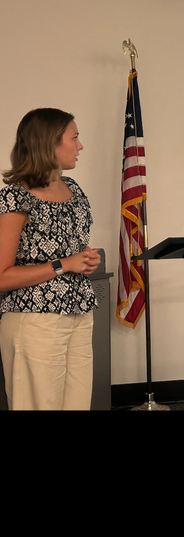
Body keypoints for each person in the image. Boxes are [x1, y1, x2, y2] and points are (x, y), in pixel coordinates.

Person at [0, 109, 101, 410]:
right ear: (49, 144)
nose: (80, 146)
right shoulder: (15, 197)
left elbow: (71, 251)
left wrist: (84, 260)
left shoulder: (75, 191)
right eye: (74, 138)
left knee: (77, 404)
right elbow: (2, 275)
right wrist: (64, 265)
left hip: (80, 315)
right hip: (35, 320)